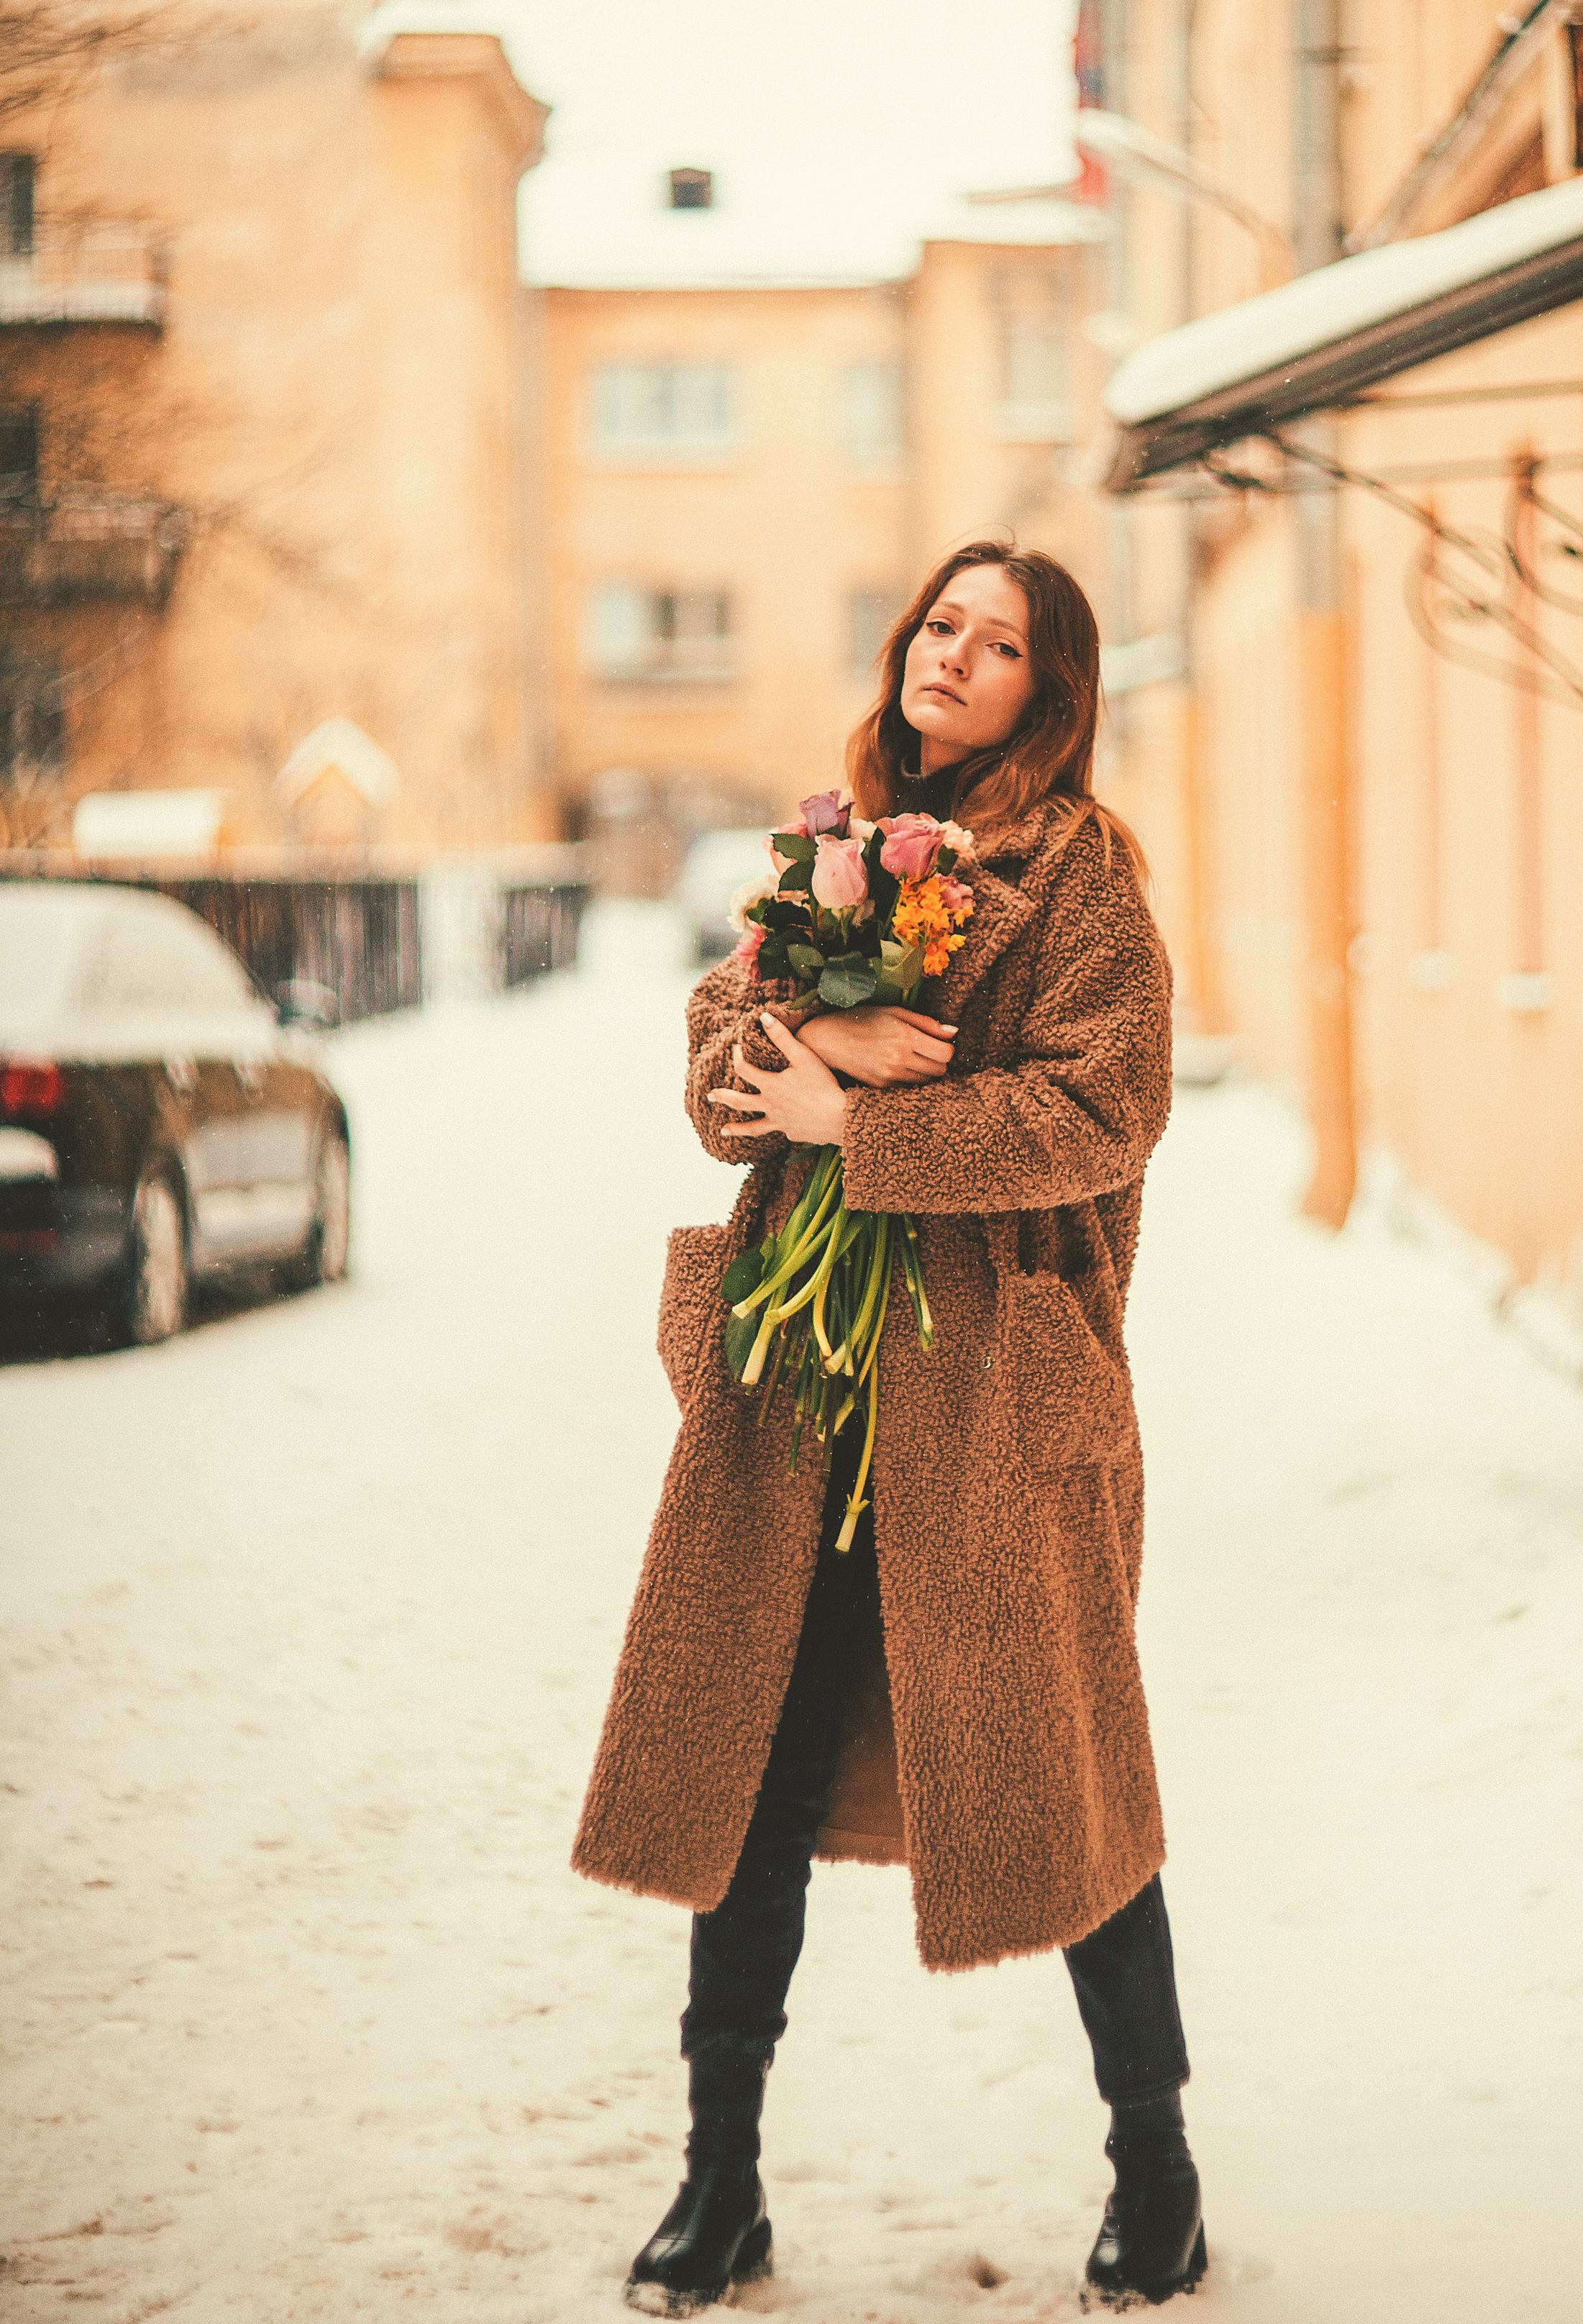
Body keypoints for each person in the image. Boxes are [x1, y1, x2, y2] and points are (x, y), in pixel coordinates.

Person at [572, 540, 1202, 2312]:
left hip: (993, 1398)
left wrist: (871, 1133)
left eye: (1000, 646)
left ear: (1046, 693)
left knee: (1064, 1794)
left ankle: (1155, 2179)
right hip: (800, 1399)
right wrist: (815, 1061)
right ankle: (721, 2186)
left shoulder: (1086, 885)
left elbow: (1109, 1109)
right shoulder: (838, 848)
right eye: (942, 625)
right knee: (743, 1786)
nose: (956, 657)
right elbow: (720, 1070)